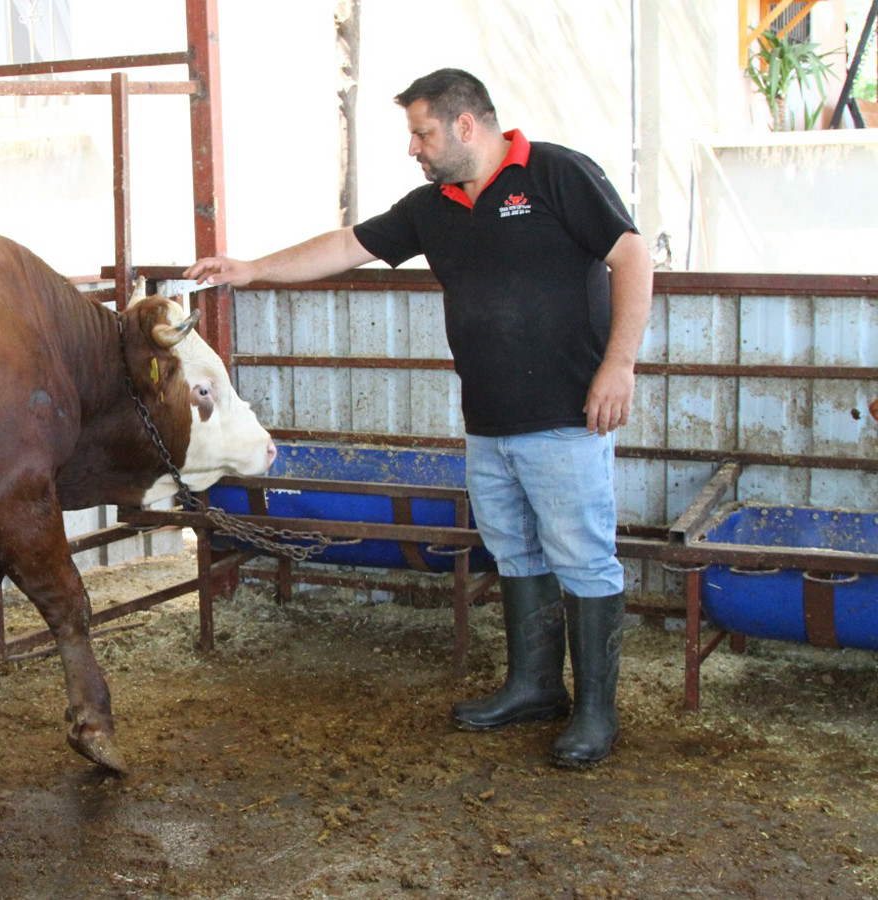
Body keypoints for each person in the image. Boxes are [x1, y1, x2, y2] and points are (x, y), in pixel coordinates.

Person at [186, 68, 653, 769]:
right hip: (488, 421)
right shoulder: (434, 206)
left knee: (582, 556)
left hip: (566, 417)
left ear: (466, 125)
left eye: (422, 133)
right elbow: (346, 245)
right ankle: (534, 687)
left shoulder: (557, 174)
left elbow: (632, 254)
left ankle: (596, 713)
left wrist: (619, 365)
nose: (414, 148)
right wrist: (251, 269)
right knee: (516, 553)